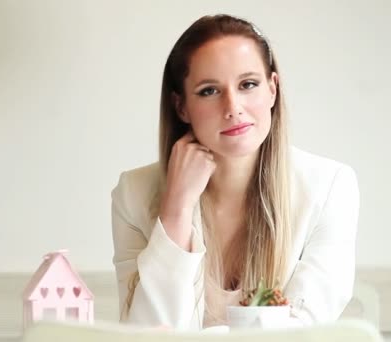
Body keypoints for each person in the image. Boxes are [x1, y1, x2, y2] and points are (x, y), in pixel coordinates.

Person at [110, 14, 359, 330]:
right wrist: (175, 212)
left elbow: (304, 331)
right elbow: (144, 334)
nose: (233, 107)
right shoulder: (133, 194)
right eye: (209, 91)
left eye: (248, 84)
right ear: (181, 106)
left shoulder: (330, 187)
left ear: (272, 89)